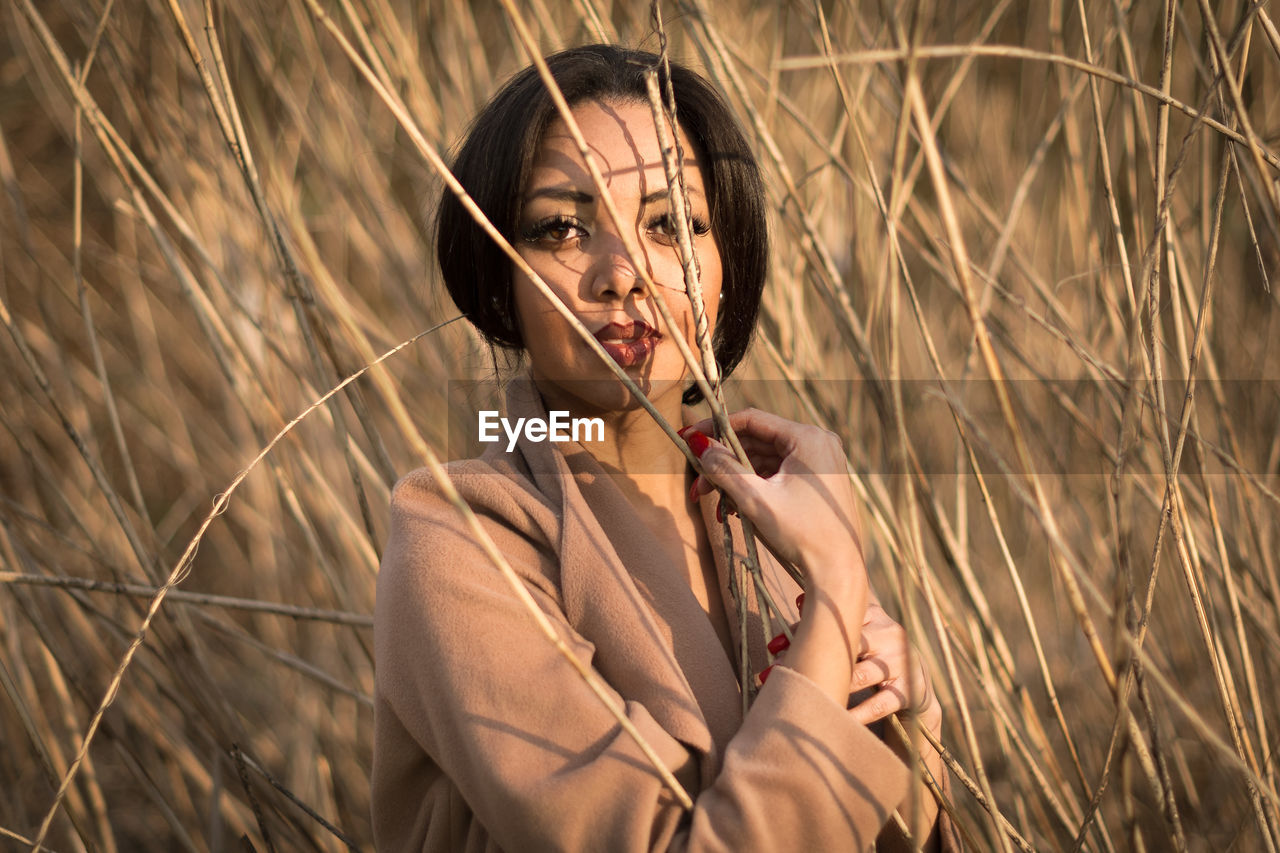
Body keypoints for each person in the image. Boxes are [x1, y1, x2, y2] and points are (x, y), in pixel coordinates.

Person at [373, 43, 954, 851]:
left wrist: (912, 718)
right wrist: (836, 594)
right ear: (501, 282)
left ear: (725, 273)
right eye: (563, 228)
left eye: (669, 223)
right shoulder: (462, 533)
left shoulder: (764, 510)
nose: (624, 274)